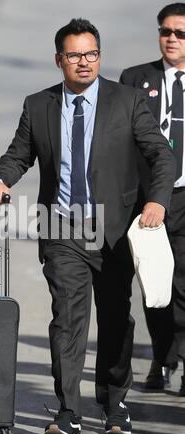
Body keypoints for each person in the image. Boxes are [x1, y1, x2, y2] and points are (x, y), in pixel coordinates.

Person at [0, 18, 175, 434]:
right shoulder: (39, 105)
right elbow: (19, 154)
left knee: (114, 320)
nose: (84, 62)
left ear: (100, 56)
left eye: (91, 53)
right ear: (59, 60)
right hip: (62, 228)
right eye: (75, 55)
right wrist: (0, 179)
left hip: (114, 228)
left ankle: (113, 403)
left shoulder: (125, 101)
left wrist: (157, 200)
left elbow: (161, 155)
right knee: (67, 320)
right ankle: (69, 410)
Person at [120, 3, 185, 396]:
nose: (172, 39)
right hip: (151, 199)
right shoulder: (136, 78)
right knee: (156, 284)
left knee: (184, 284)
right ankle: (163, 358)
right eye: (166, 32)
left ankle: (180, 359)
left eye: (180, 33)